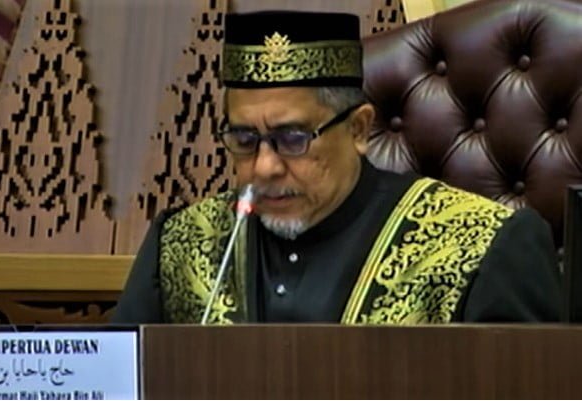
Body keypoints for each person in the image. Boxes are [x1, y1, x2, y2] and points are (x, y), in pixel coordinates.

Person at [113, 10, 562, 324]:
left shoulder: (481, 246)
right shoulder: (182, 242)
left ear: (359, 129)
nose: (264, 167)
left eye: (293, 139)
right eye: (245, 140)